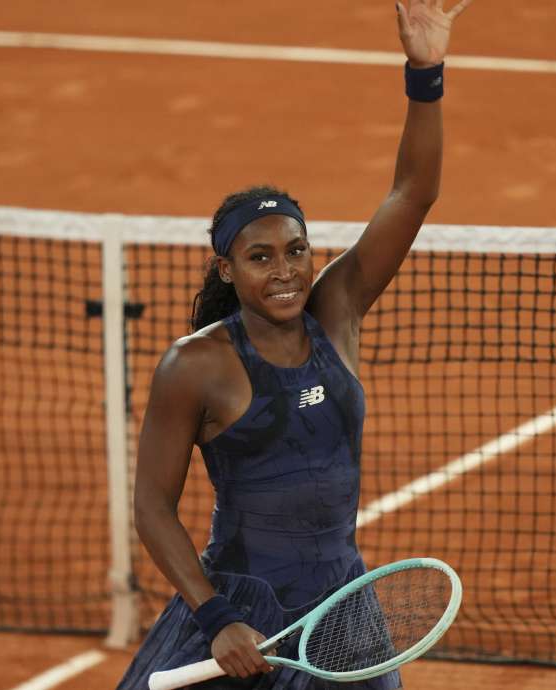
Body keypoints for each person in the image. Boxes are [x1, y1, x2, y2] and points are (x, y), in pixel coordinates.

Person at [116, 1, 475, 688]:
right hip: (243, 609)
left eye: (296, 250)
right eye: (260, 257)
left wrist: (425, 71)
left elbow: (414, 191)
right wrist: (216, 617)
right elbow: (152, 506)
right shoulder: (196, 365)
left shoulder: (336, 310)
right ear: (228, 268)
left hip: (343, 606)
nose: (284, 271)